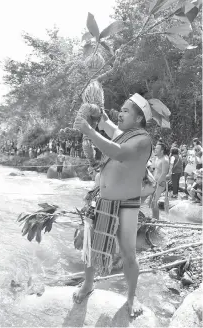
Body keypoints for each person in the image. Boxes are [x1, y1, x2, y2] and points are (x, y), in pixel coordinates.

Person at [73, 93, 153, 317]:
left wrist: (89, 131)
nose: (121, 113)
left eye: (127, 110)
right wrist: (98, 114)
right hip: (104, 201)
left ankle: (131, 297)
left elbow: (117, 153)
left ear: (138, 119)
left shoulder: (142, 140)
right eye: (122, 109)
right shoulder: (122, 134)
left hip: (127, 203)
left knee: (128, 254)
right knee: (91, 246)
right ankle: (88, 284)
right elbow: (105, 123)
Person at [151, 142, 169, 219]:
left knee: (154, 201)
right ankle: (154, 218)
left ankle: (156, 220)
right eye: (155, 148)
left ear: (162, 150)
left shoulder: (165, 159)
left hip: (160, 183)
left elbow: (164, 173)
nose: (155, 149)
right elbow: (155, 170)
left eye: (157, 148)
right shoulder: (157, 158)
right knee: (152, 202)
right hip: (154, 182)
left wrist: (157, 183)